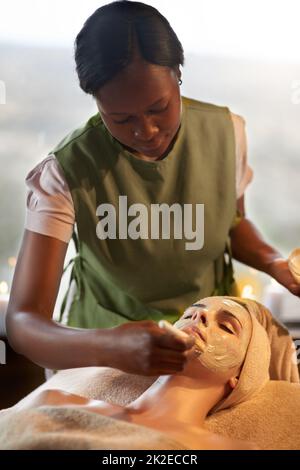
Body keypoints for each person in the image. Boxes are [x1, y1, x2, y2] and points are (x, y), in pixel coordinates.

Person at [6, 1, 300, 376]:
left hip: (209, 351)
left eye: (159, 108)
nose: (144, 131)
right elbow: (23, 322)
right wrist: (111, 347)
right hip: (99, 359)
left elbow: (229, 223)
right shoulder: (65, 171)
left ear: (178, 74)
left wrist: (276, 264)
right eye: (121, 118)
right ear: (96, 101)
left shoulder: (226, 134)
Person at [10, 297, 268, 450]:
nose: (199, 315)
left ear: (240, 377)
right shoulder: (54, 402)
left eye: (226, 326)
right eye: (190, 313)